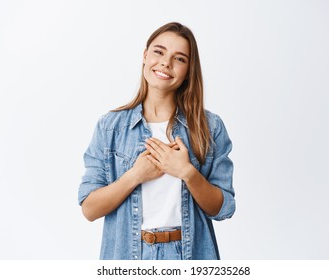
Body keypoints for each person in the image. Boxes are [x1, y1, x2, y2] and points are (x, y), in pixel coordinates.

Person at [78, 22, 235, 260]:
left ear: (189, 69)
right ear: (145, 55)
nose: (166, 63)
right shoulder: (110, 127)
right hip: (128, 256)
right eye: (159, 52)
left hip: (190, 255)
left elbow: (223, 209)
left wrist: (187, 172)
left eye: (179, 58)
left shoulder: (209, 128)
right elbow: (89, 209)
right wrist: (135, 175)